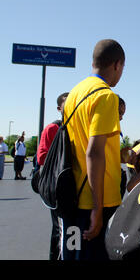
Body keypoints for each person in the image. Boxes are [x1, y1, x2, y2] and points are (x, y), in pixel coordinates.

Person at [60, 39, 132, 260]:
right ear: (117, 64)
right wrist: (97, 209)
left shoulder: (74, 93)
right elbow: (94, 152)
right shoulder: (105, 96)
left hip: (72, 193)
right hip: (96, 200)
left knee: (73, 253)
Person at [35, 92, 69, 260]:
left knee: (69, 229)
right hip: (56, 186)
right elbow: (41, 157)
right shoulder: (53, 128)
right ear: (59, 108)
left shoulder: (75, 127)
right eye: (66, 104)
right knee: (60, 228)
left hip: (71, 186)